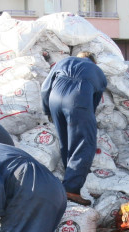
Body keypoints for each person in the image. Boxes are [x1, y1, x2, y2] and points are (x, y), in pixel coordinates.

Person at [41, 51, 107, 206]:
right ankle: (71, 189)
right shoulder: (98, 72)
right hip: (77, 99)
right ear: (93, 62)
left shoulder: (65, 61)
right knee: (84, 143)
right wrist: (86, 116)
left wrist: (47, 110)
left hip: (54, 99)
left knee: (66, 141)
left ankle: (68, 175)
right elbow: (93, 103)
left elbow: (45, 87)